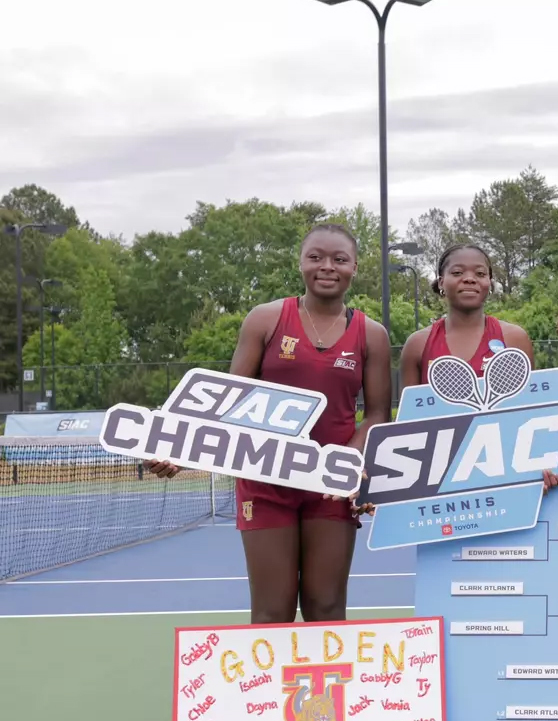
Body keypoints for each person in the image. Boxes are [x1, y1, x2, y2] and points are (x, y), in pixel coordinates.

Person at [147, 224, 392, 625]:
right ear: (300, 263)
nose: (327, 267)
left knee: (326, 608)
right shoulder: (265, 320)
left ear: (355, 268)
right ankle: (270, 690)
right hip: (265, 483)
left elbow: (378, 414)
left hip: (329, 489)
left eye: (339, 259)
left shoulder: (373, 334)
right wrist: (179, 448)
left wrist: (344, 462)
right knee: (272, 612)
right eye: (316, 257)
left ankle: (325, 689)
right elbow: (227, 400)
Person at [400, 243, 534, 386]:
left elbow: (531, 403)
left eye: (480, 274)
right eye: (457, 272)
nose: (469, 279)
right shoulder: (417, 345)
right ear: (441, 283)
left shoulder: (515, 339)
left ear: (489, 282)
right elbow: (410, 407)